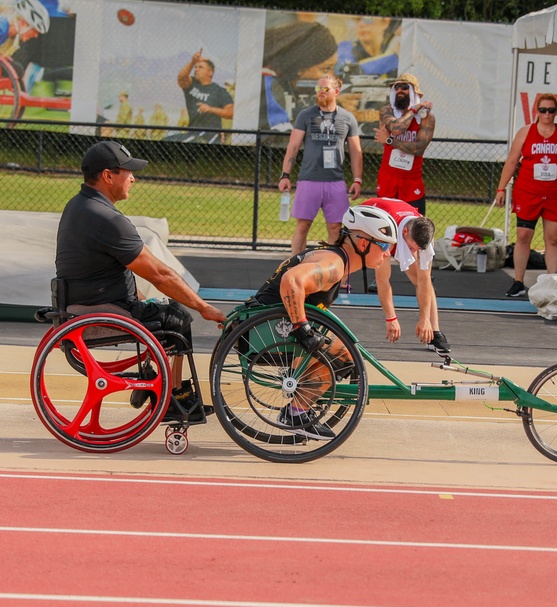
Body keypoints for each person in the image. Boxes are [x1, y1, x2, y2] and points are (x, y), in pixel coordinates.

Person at [54, 140, 227, 418]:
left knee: (161, 307)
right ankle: (175, 398)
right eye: (127, 172)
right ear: (108, 176)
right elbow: (160, 274)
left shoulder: (78, 205)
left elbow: (108, 270)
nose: (133, 178)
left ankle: (162, 385)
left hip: (82, 306)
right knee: (178, 319)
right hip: (99, 312)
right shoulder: (107, 219)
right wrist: (204, 307)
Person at [248, 204, 397, 438]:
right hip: (264, 332)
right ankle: (296, 413)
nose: (389, 253)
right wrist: (303, 331)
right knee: (343, 357)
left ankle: (299, 406)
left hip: (264, 327)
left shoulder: (336, 259)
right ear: (363, 243)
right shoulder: (333, 265)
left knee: (340, 351)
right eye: (385, 245)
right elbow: (292, 281)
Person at [495, 92, 557, 297]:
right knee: (523, 236)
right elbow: (512, 162)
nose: (547, 114)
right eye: (543, 110)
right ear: (537, 111)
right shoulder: (526, 132)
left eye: (551, 110)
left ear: (556, 112)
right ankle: (518, 281)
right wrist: (501, 188)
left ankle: (552, 281)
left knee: (552, 239)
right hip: (528, 191)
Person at [279, 74, 364, 256]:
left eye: (325, 89)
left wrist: (357, 179)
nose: (320, 92)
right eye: (318, 89)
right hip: (309, 180)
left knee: (335, 228)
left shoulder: (347, 118)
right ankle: (295, 266)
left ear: (336, 91)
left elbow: (356, 151)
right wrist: (285, 175)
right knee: (303, 225)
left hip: (335, 181)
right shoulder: (306, 115)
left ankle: (335, 273)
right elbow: (293, 147)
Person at [363, 196, 450, 353]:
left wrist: (425, 319)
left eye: (417, 250)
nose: (414, 253)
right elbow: (382, 280)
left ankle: (435, 333)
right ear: (404, 233)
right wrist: (391, 318)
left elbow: (424, 281)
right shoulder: (384, 230)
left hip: (396, 221)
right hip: (370, 221)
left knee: (421, 278)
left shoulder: (423, 231)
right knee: (349, 268)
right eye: (412, 248)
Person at [260, 21, 339, 133]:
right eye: (326, 69)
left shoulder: (282, 81)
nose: (332, 76)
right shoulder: (268, 83)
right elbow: (282, 133)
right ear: (300, 68)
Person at [374, 73, 435, 215]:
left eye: (404, 87)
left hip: (411, 180)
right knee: (384, 227)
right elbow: (397, 128)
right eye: (397, 87)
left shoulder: (426, 118)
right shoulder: (386, 111)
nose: (399, 91)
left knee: (413, 228)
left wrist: (389, 140)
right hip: (388, 178)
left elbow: (419, 148)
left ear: (414, 92)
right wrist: (413, 110)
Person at [176, 49, 234, 143]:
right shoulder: (192, 84)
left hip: (211, 136)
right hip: (192, 133)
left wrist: (211, 109)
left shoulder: (219, 91)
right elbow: (181, 78)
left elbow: (231, 112)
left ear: (210, 72)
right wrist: (192, 62)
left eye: (200, 67)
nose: (196, 69)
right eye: (196, 67)